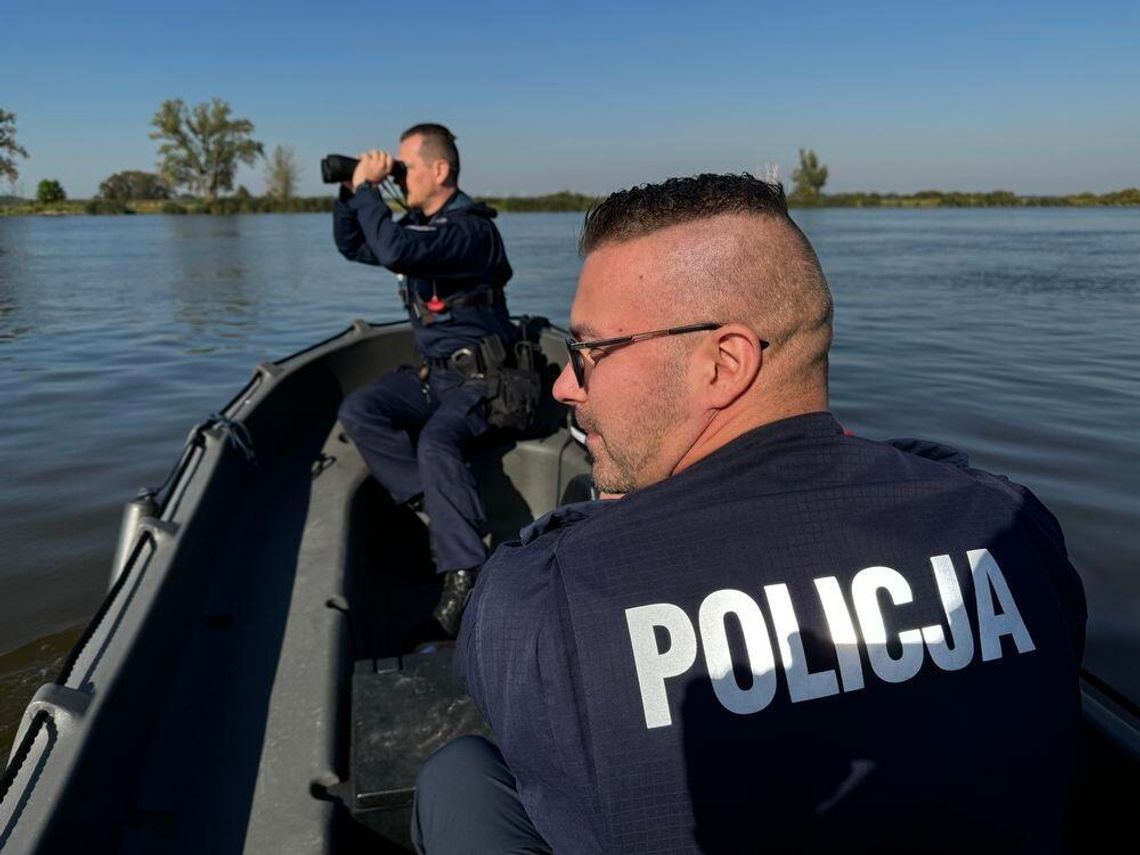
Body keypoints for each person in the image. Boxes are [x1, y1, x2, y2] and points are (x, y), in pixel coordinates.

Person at [413, 174, 1088, 852]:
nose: (565, 383)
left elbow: (487, 672)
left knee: (461, 775)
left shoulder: (547, 598)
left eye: (590, 352)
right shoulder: (1009, 524)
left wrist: (609, 528)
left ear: (724, 362)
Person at [333, 123, 517, 637]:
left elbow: (396, 252)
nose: (399, 176)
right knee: (361, 410)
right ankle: (436, 512)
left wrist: (371, 189)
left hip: (484, 379)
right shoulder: (419, 229)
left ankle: (466, 575)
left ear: (439, 170)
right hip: (434, 377)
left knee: (437, 440)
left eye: (406, 166)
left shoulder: (470, 231)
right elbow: (356, 245)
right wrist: (352, 192)